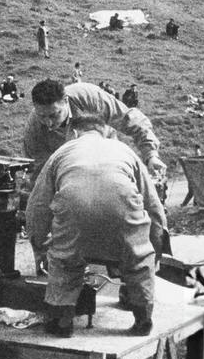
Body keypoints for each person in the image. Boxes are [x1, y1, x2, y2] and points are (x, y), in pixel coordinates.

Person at [26, 115, 167, 337]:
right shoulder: (124, 150)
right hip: (123, 208)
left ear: (74, 133)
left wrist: (39, 245)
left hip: (74, 209)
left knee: (65, 260)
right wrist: (156, 246)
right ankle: (143, 318)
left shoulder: (62, 152)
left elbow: (38, 205)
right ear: (106, 132)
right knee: (138, 260)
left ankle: (63, 321)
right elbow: (153, 204)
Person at [23, 79, 165, 179]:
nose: (48, 122)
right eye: (42, 116)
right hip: (67, 165)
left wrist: (151, 155)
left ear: (65, 101)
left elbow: (129, 119)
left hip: (105, 151)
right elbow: (39, 169)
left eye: (54, 115)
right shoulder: (34, 128)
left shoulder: (90, 97)